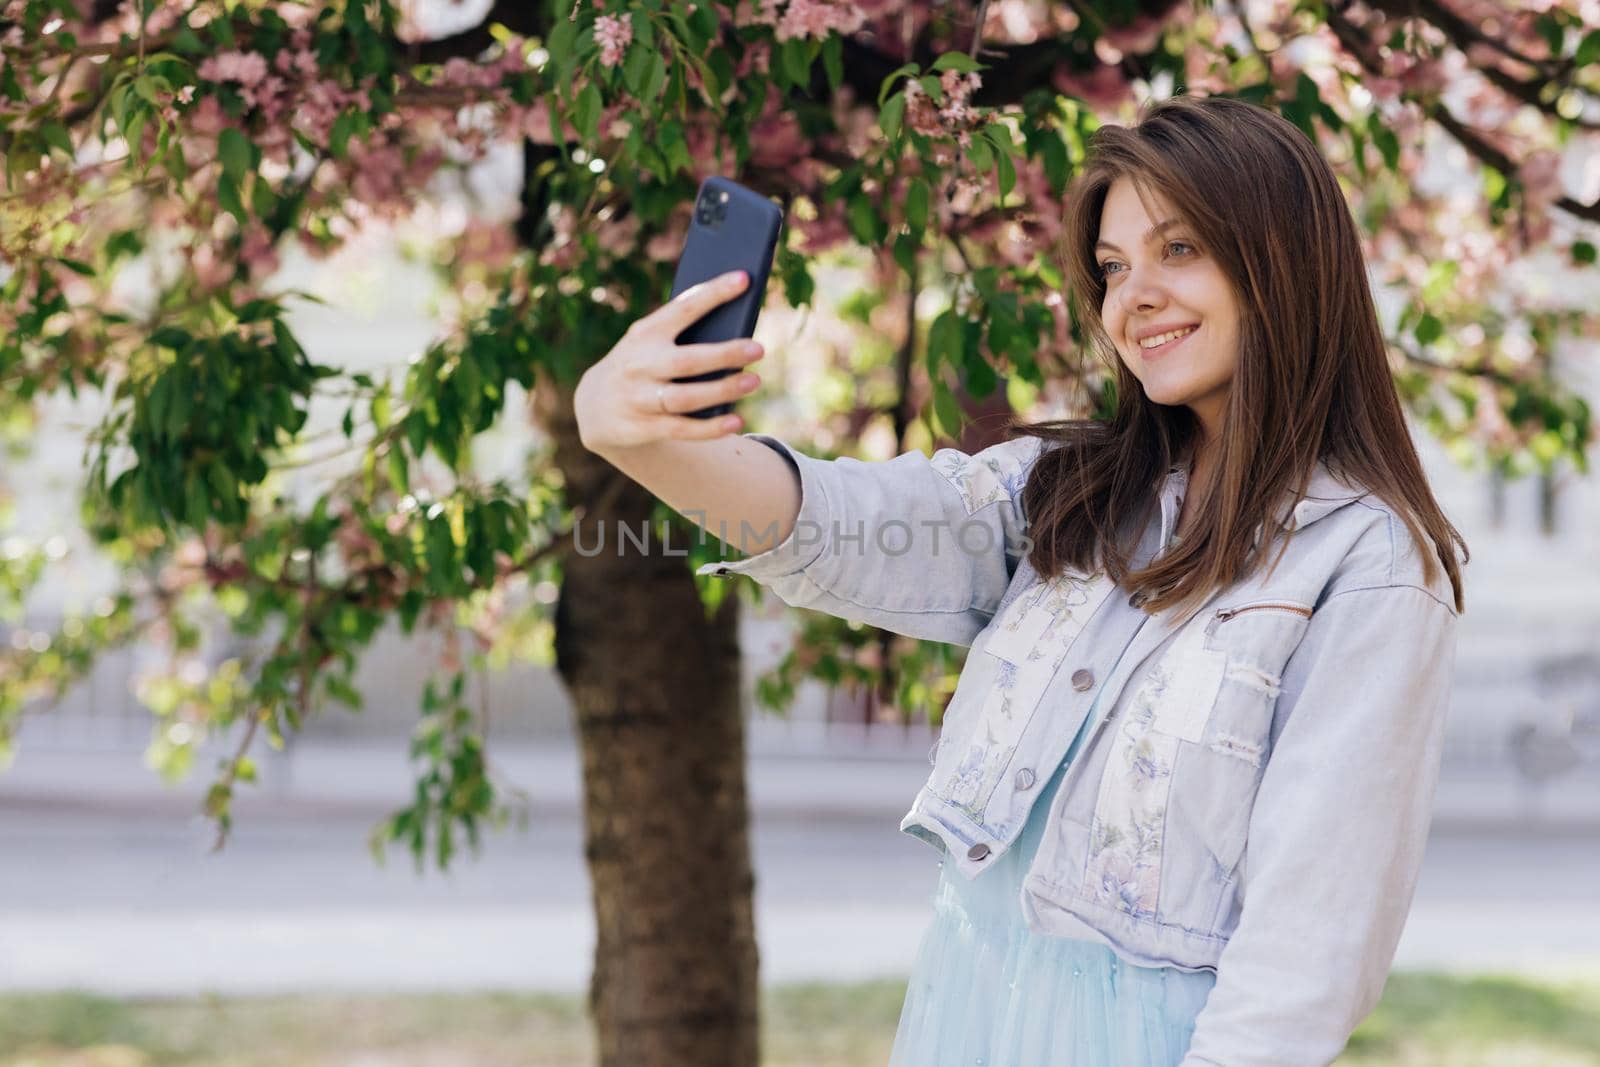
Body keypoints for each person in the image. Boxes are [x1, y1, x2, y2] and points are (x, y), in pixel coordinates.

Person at [574, 93, 1468, 1067]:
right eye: (1113, 268)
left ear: (1283, 259)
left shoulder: (1369, 562)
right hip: (969, 1009)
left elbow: (1309, 949)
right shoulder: (1072, 490)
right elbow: (843, 525)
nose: (1131, 298)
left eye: (1178, 250)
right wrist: (637, 440)